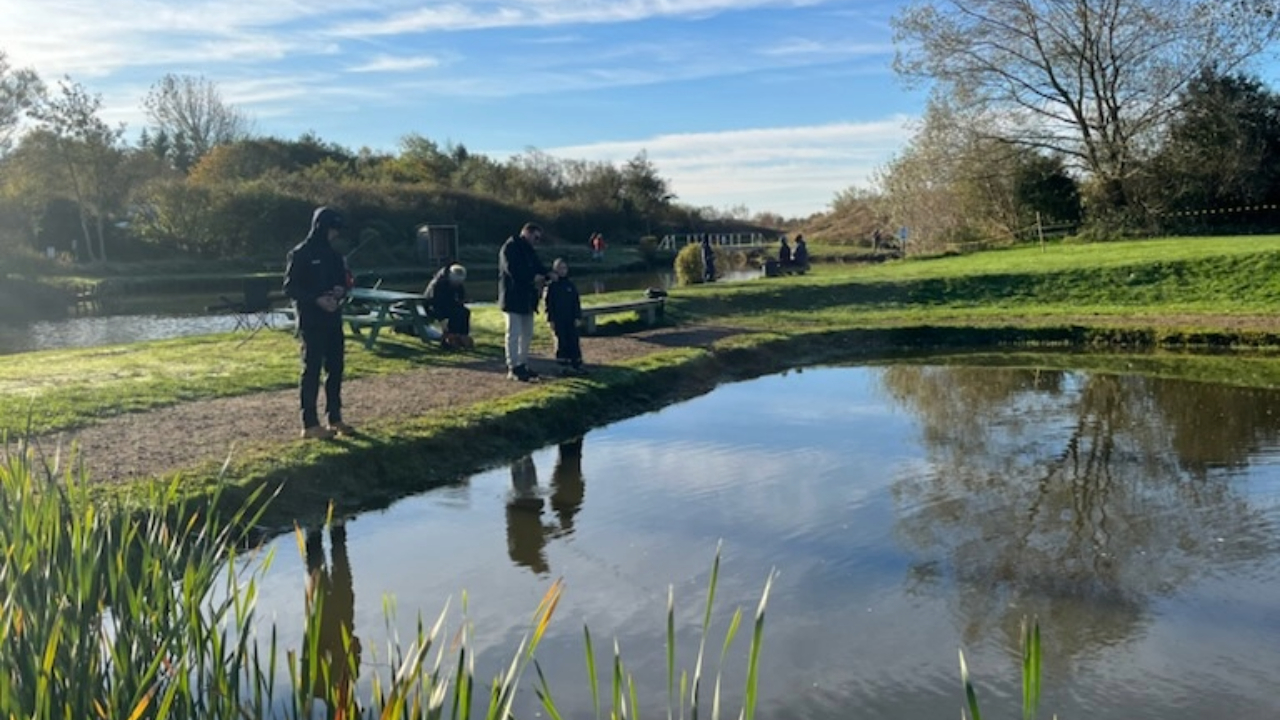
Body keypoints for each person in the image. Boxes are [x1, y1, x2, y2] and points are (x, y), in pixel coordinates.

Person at [284, 206, 353, 440]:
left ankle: (335, 418)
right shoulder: (300, 253)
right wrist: (316, 299)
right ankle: (310, 424)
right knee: (311, 370)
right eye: (333, 229)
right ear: (322, 227)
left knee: (336, 368)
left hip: (333, 318)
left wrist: (339, 292)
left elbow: (343, 284)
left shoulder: (334, 256)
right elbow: (290, 287)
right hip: (311, 320)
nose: (336, 234)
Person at [302, 522, 360, 713]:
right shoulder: (345, 682)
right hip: (336, 620)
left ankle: (319, 529)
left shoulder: (334, 684)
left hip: (328, 622)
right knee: (337, 561)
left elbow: (356, 647)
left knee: (330, 564)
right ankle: (327, 527)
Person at [498, 222, 554, 382]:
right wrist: (533, 277)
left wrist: (548, 273)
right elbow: (513, 270)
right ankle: (513, 366)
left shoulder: (529, 250)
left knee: (527, 333)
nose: (537, 241)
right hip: (512, 297)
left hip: (527, 299)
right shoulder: (510, 248)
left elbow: (538, 266)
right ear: (527, 233)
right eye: (536, 237)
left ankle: (522, 364)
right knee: (513, 333)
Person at [543, 258, 586, 375]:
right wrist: (550, 319)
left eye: (564, 268)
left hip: (571, 318)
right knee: (561, 341)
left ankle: (576, 364)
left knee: (573, 340)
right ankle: (563, 366)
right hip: (558, 319)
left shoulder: (570, 285)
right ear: (555, 270)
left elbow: (576, 302)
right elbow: (548, 304)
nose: (562, 271)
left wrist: (578, 316)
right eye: (560, 268)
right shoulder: (551, 286)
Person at [423, 263, 473, 350]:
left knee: (465, 311)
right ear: (451, 277)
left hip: (448, 305)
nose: (457, 284)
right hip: (433, 306)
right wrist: (442, 321)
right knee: (456, 313)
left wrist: (462, 302)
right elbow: (434, 303)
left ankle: (462, 335)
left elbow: (461, 298)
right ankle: (451, 335)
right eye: (456, 282)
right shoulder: (438, 284)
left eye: (459, 282)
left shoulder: (458, 284)